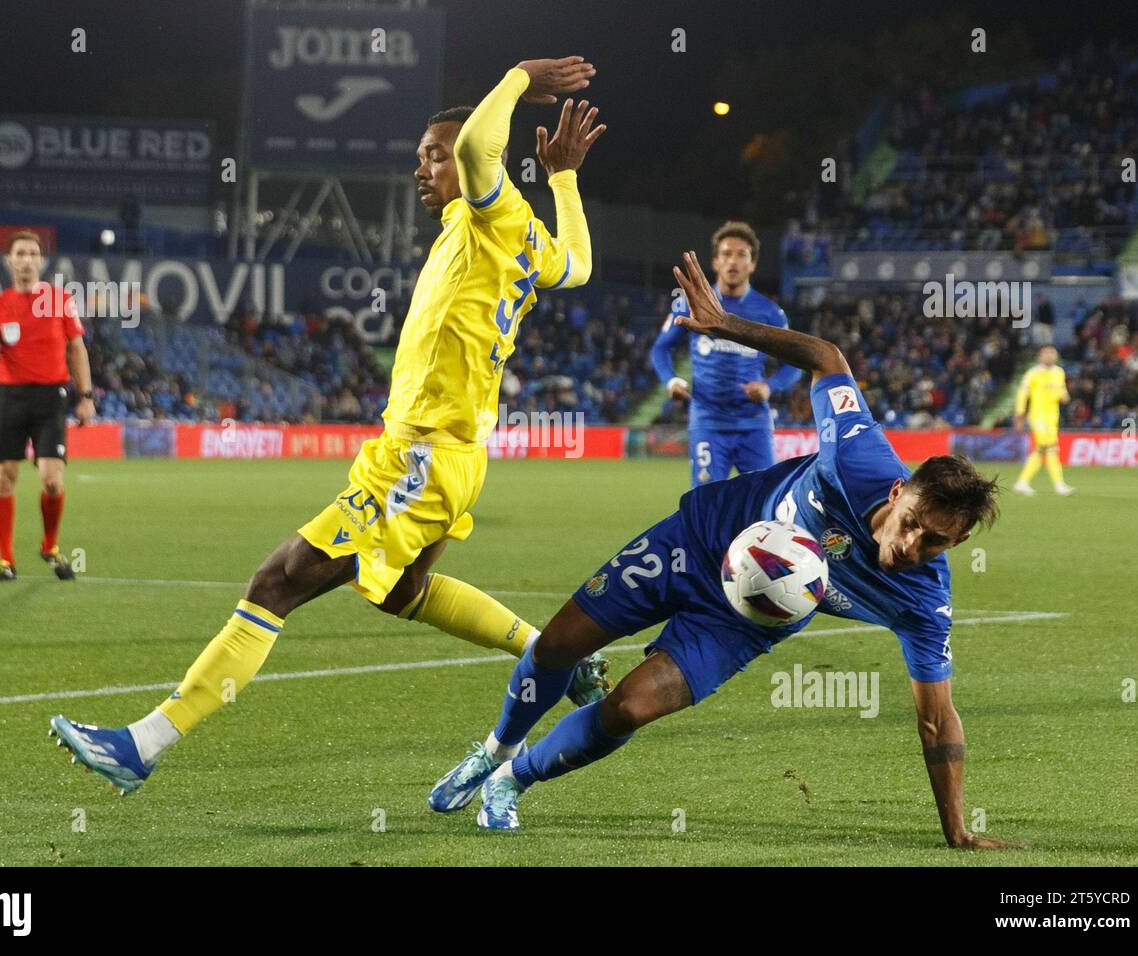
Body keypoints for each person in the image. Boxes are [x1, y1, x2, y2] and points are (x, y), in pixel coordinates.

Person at [48, 57, 610, 794]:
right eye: (419, 156)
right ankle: (549, 653)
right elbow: (579, 265)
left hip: (424, 457)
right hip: (447, 456)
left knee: (276, 582)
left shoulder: (491, 214)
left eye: (432, 155)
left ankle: (142, 745)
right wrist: (565, 178)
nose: (424, 167)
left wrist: (512, 79)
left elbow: (479, 146)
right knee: (404, 592)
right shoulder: (524, 241)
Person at [431, 251, 1016, 849]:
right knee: (558, 646)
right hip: (698, 539)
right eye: (911, 523)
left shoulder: (923, 599)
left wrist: (958, 832)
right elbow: (828, 359)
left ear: (960, 541)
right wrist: (726, 325)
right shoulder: (859, 455)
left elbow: (937, 716)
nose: (910, 545)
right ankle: (495, 749)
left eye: (935, 541)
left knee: (628, 709)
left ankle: (511, 780)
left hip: (742, 620)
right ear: (898, 492)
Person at [0, 230, 94, 581]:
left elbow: (77, 349)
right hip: (11, 397)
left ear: (40, 262)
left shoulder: (59, 301)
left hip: (51, 396)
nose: (26, 260)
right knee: (5, 476)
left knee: (52, 479)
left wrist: (85, 397)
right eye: (20, 254)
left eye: (32, 254)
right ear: (9, 261)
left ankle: (50, 546)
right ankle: (6, 561)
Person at [650, 221, 801, 486]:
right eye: (726, 254)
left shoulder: (769, 313)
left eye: (741, 254)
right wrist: (671, 380)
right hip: (708, 422)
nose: (733, 261)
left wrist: (770, 385)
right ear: (716, 262)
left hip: (754, 424)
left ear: (752, 264)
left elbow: (796, 363)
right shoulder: (691, 303)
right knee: (706, 507)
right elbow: (661, 348)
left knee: (765, 504)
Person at [1012, 346, 1074, 496]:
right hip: (1037, 415)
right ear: (1040, 357)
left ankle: (1022, 482)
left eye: (1053, 353)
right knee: (1050, 447)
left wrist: (1065, 396)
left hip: (1053, 416)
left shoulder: (1059, 372)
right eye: (1047, 354)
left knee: (1041, 449)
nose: (1050, 356)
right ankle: (1059, 485)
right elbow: (1022, 393)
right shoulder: (1033, 373)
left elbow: (1061, 390)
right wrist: (1019, 414)